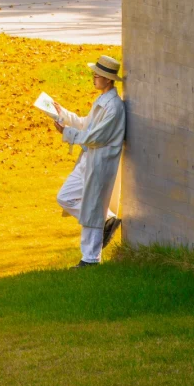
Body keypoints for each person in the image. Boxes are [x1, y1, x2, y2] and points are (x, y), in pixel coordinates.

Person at [52, 54, 125, 267]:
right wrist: (62, 114)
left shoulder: (114, 107)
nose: (94, 76)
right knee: (66, 196)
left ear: (108, 79)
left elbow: (96, 137)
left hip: (100, 160)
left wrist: (68, 133)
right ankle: (108, 219)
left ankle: (90, 259)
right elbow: (87, 124)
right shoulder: (102, 101)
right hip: (88, 158)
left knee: (93, 207)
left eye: (98, 74)